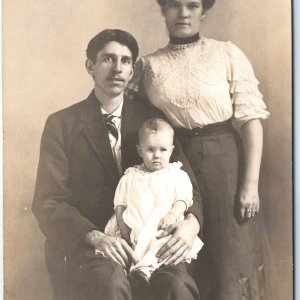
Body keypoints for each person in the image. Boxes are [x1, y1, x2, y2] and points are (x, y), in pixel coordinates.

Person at [32, 28, 202, 300]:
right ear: (91, 66)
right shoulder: (62, 125)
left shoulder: (153, 122)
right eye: (108, 59)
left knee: (177, 285)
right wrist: (95, 236)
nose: (117, 68)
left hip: (151, 243)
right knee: (109, 284)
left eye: (125, 61)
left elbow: (188, 185)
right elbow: (48, 201)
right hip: (93, 247)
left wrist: (192, 222)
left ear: (132, 71)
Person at [126, 1, 277, 299]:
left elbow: (251, 121)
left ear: (204, 11)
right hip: (174, 166)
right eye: (174, 5)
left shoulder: (226, 54)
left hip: (225, 166)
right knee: (182, 257)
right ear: (163, 11)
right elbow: (127, 117)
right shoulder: (148, 66)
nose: (183, 13)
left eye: (192, 5)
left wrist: (250, 185)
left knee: (230, 256)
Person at [105, 118, 203, 283]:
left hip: (162, 226)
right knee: (125, 253)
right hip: (135, 226)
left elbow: (184, 199)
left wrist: (172, 215)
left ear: (171, 150)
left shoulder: (176, 174)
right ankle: (133, 270)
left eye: (163, 150)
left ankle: (146, 269)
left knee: (161, 243)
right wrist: (123, 231)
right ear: (140, 150)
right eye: (150, 149)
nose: (157, 155)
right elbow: (119, 205)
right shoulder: (130, 177)